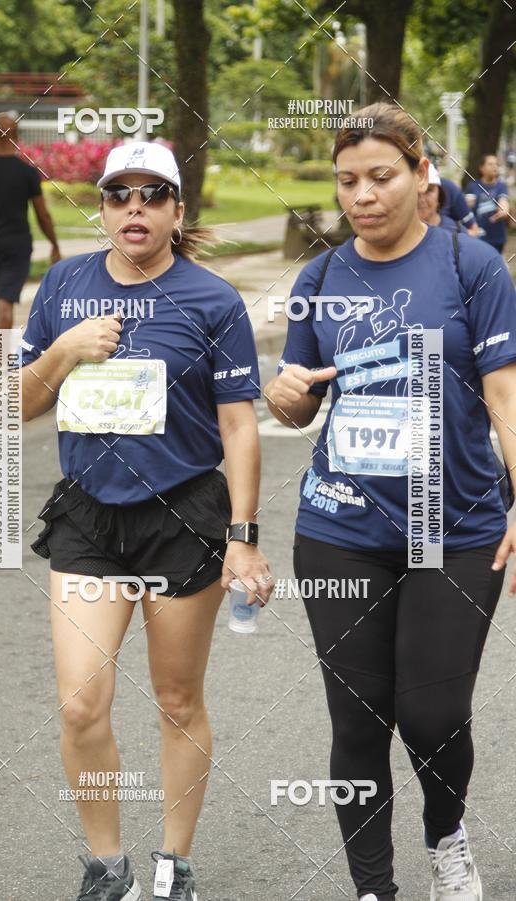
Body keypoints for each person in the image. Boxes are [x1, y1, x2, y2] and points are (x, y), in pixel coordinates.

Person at [265, 103, 516, 901]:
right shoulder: (322, 277)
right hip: (339, 525)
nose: (362, 196)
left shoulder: (474, 268)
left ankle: (446, 839)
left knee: (434, 716)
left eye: (380, 177)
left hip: (458, 525)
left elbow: (506, 401)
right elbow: (298, 402)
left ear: (420, 175)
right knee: (358, 721)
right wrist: (285, 394)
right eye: (347, 182)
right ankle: (373, 888)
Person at [20, 140, 273, 901]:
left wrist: (243, 536)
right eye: (119, 194)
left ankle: (175, 862)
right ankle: (106, 862)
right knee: (79, 702)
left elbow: (239, 426)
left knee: (175, 699)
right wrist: (63, 350)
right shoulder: (63, 286)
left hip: (183, 515)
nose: (135, 207)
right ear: (100, 209)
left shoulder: (212, 300)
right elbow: (16, 404)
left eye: (153, 194)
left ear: (177, 212)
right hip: (90, 517)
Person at [0, 112, 61, 329]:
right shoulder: (27, 173)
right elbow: (42, 214)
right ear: (17, 137)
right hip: (17, 246)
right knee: (5, 301)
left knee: (2, 297)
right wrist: (54, 244)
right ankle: (3, 359)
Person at [465, 154, 511, 254]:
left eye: (496, 164)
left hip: (497, 238)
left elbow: (503, 200)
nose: (494, 167)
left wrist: (504, 209)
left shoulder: (501, 186)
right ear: (482, 168)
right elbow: (466, 208)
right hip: (478, 237)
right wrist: (467, 204)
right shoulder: (472, 186)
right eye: (490, 164)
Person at [418, 163, 468, 233]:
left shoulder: (456, 233)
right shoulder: (399, 234)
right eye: (415, 190)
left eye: (429, 190)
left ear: (439, 195)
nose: (421, 198)